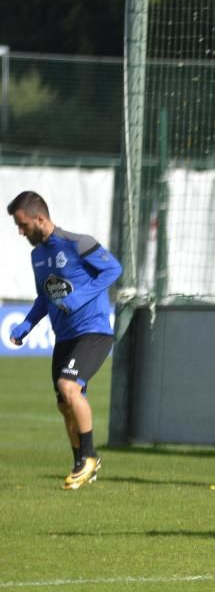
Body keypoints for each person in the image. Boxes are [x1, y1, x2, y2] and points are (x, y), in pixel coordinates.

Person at [7, 191, 122, 490]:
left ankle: (91, 458)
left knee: (69, 387)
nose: (20, 232)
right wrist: (26, 325)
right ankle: (79, 463)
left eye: (23, 225)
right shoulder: (37, 256)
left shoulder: (77, 243)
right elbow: (45, 297)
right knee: (64, 404)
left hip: (93, 332)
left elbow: (114, 269)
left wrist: (80, 297)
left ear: (40, 218)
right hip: (65, 338)